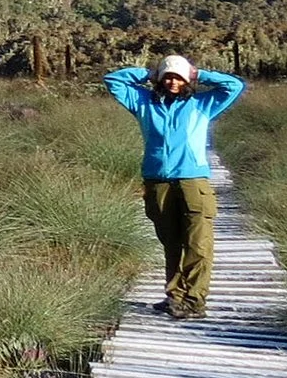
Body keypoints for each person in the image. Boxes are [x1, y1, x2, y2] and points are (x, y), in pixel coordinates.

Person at [103, 54, 246, 320]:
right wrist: (149, 73)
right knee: (171, 242)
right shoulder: (143, 102)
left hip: (193, 182)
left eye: (177, 77)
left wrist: (198, 74)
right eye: (167, 76)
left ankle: (194, 301)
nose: (172, 82)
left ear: (186, 80)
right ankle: (174, 296)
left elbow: (234, 86)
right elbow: (113, 80)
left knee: (197, 245)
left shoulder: (202, 104)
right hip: (158, 181)